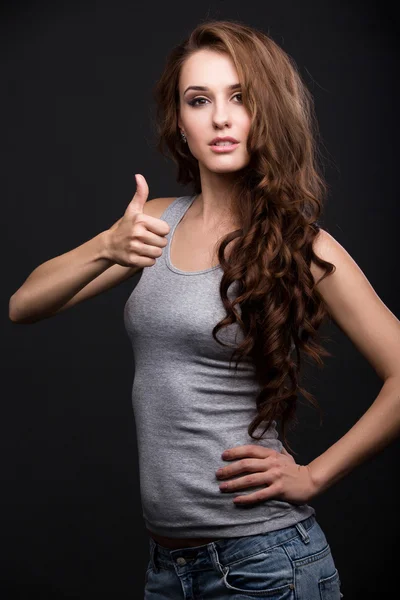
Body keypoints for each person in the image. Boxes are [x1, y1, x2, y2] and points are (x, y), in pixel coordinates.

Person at [9, 18, 400, 600]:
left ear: (267, 113)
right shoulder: (155, 224)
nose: (220, 117)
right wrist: (106, 247)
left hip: (265, 564)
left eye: (240, 97)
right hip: (168, 568)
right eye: (200, 100)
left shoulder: (301, 244)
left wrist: (313, 475)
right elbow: (23, 305)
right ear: (181, 124)